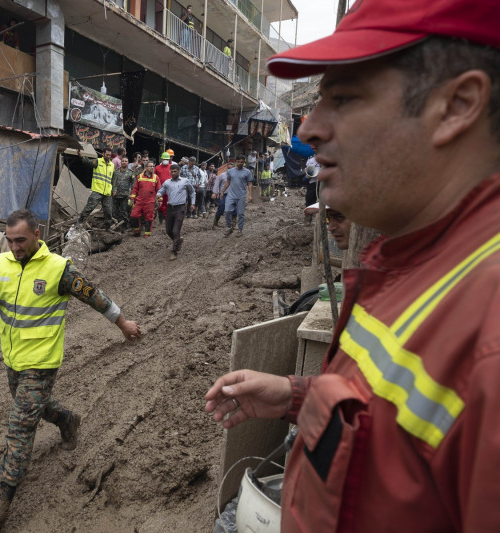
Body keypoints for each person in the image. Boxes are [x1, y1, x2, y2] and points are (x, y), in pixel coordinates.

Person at [206, 0, 500, 530]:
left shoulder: (488, 334)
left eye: (343, 98)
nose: (310, 130)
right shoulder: (408, 259)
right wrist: (297, 396)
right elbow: (393, 412)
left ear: (457, 106)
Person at [0, 209, 141, 528]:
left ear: (37, 235)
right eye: (10, 240)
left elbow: (93, 296)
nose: (14, 247)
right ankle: (67, 419)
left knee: (20, 422)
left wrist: (123, 323)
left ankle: (2, 498)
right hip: (12, 357)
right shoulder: (2, 263)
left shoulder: (58, 269)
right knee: (35, 406)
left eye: (21, 240)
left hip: (43, 361)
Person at [157, 163, 195, 260]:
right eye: (172, 171)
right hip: (170, 208)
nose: (173, 173)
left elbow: (192, 192)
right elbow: (161, 191)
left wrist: (192, 204)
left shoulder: (185, 181)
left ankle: (174, 251)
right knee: (168, 231)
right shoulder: (167, 182)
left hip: (181, 208)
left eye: (175, 171)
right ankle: (178, 240)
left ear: (179, 171)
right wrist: (158, 195)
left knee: (175, 230)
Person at [78, 147, 115, 230]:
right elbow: (88, 162)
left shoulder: (112, 165)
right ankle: (80, 221)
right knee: (89, 207)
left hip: (107, 193)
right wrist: (81, 157)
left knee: (108, 212)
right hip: (97, 190)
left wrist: (114, 189)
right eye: (107, 154)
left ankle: (108, 228)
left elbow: (113, 178)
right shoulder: (97, 161)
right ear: (103, 154)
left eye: (110, 155)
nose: (108, 156)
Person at [221, 154, 253, 237]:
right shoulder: (231, 171)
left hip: (241, 196)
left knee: (241, 213)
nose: (240, 163)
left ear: (244, 162)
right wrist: (222, 192)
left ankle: (240, 230)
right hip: (230, 195)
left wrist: (250, 195)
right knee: (227, 211)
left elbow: (249, 183)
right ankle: (228, 227)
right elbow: (227, 182)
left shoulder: (247, 172)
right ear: (235, 162)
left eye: (241, 162)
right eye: (238, 162)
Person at [129, 160, 159, 237]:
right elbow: (135, 188)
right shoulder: (140, 176)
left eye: (153, 166)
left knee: (149, 218)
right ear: (146, 167)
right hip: (139, 201)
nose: (152, 168)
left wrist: (160, 199)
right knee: (134, 215)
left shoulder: (156, 177)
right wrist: (132, 198)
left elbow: (159, 190)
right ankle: (137, 230)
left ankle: (147, 233)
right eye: (150, 166)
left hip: (150, 201)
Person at [111, 156, 135, 229]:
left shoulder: (131, 173)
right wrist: (113, 190)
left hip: (125, 196)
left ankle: (125, 226)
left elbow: (133, 185)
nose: (124, 162)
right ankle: (116, 225)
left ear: (128, 163)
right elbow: (113, 182)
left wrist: (131, 195)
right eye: (123, 161)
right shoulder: (116, 172)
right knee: (114, 212)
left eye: (126, 161)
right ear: (120, 162)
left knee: (124, 211)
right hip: (115, 195)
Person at [153, 151, 173, 225]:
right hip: (160, 189)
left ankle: (167, 220)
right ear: (161, 159)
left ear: (169, 160)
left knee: (168, 204)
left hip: (169, 189)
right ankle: (161, 220)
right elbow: (154, 177)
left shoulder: (172, 167)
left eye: (167, 159)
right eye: (164, 159)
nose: (165, 160)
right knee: (160, 204)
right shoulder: (157, 168)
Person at [210, 163, 228, 229]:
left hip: (232, 194)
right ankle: (216, 221)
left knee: (232, 209)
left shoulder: (235, 176)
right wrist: (214, 193)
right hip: (223, 194)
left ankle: (231, 224)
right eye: (229, 168)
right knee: (221, 207)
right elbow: (217, 184)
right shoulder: (222, 175)